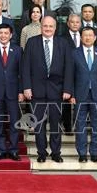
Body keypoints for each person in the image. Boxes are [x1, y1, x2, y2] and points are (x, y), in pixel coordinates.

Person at [22, 16, 73, 163]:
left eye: (51, 26)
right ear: (41, 27)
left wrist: (67, 89)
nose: (48, 29)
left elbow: (68, 68)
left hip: (57, 91)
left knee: (56, 124)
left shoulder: (63, 43)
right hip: (36, 91)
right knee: (39, 125)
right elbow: (25, 67)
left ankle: (56, 152)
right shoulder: (32, 42)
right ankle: (42, 153)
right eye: (45, 26)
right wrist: (26, 87)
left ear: (55, 28)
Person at [0, 23, 24, 161]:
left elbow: (22, 73)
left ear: (11, 35)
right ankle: (0, 150)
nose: (3, 35)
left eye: (6, 33)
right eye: (0, 33)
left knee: (14, 122)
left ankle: (13, 150)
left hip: (14, 92)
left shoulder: (18, 50)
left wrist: (21, 91)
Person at [72, 27, 97, 163]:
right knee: (80, 125)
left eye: (90, 35)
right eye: (85, 35)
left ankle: (94, 153)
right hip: (79, 94)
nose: (87, 38)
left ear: (94, 38)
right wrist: (71, 94)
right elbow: (70, 76)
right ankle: (82, 153)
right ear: (81, 38)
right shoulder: (74, 53)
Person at [59, 13, 82, 134]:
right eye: (72, 22)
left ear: (80, 24)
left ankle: (80, 125)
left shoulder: (85, 36)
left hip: (82, 72)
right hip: (67, 72)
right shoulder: (61, 38)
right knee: (67, 100)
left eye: (77, 22)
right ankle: (67, 127)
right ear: (68, 23)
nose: (75, 24)